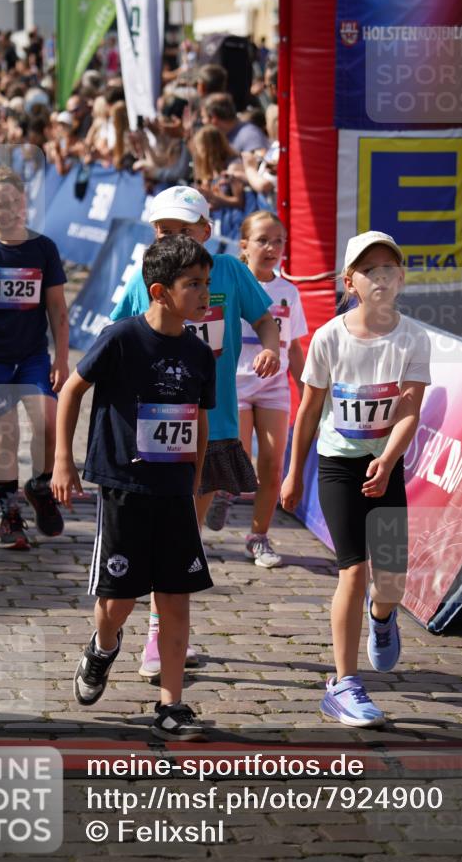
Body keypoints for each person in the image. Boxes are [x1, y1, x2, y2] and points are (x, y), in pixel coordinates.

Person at [109, 185, 280, 681]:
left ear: (206, 232)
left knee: (185, 534)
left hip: (214, 425)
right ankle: (144, 633)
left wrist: (269, 346)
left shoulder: (227, 271)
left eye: (184, 230)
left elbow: (265, 318)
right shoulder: (149, 278)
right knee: (168, 536)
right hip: (157, 432)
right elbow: (117, 333)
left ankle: (158, 638)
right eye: (164, 231)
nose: (173, 239)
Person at [53, 236, 216, 740]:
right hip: (123, 486)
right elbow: (72, 390)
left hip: (173, 491)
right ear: (160, 290)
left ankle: (171, 705)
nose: (204, 293)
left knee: (175, 598)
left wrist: (198, 474)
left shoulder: (197, 351)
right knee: (119, 601)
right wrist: (63, 459)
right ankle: (103, 647)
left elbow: (199, 418)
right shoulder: (121, 337)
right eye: (194, 284)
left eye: (207, 283)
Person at [281, 232, 431, 728]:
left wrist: (388, 460)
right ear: (351, 282)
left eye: (391, 268)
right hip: (338, 464)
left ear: (402, 278)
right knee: (353, 569)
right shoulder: (329, 338)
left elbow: (409, 412)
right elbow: (308, 411)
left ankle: (382, 618)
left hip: (386, 462)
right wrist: (292, 475)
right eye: (371, 270)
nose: (382, 277)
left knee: (390, 579)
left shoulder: (414, 337)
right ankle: (343, 684)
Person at [0, 167, 69, 549]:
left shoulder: (44, 249)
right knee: (6, 435)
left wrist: (62, 359)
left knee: (50, 423)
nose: (10, 210)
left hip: (34, 357)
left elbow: (57, 309)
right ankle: (10, 516)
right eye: (0, 204)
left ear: (25, 202)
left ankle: (39, 488)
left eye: (15, 202)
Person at [237, 211, 307, 568]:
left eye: (278, 241)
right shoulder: (229, 285)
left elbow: (293, 347)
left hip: (273, 389)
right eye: (263, 240)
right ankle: (221, 493)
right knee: (232, 460)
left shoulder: (288, 292)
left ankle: (258, 536)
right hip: (234, 385)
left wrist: (308, 390)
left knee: (271, 464)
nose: (272, 248)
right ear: (244, 245)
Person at [202, 93, 269, 153]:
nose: (203, 121)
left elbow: (260, 162)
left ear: (214, 118)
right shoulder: (219, 137)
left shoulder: (249, 136)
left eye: (203, 117)